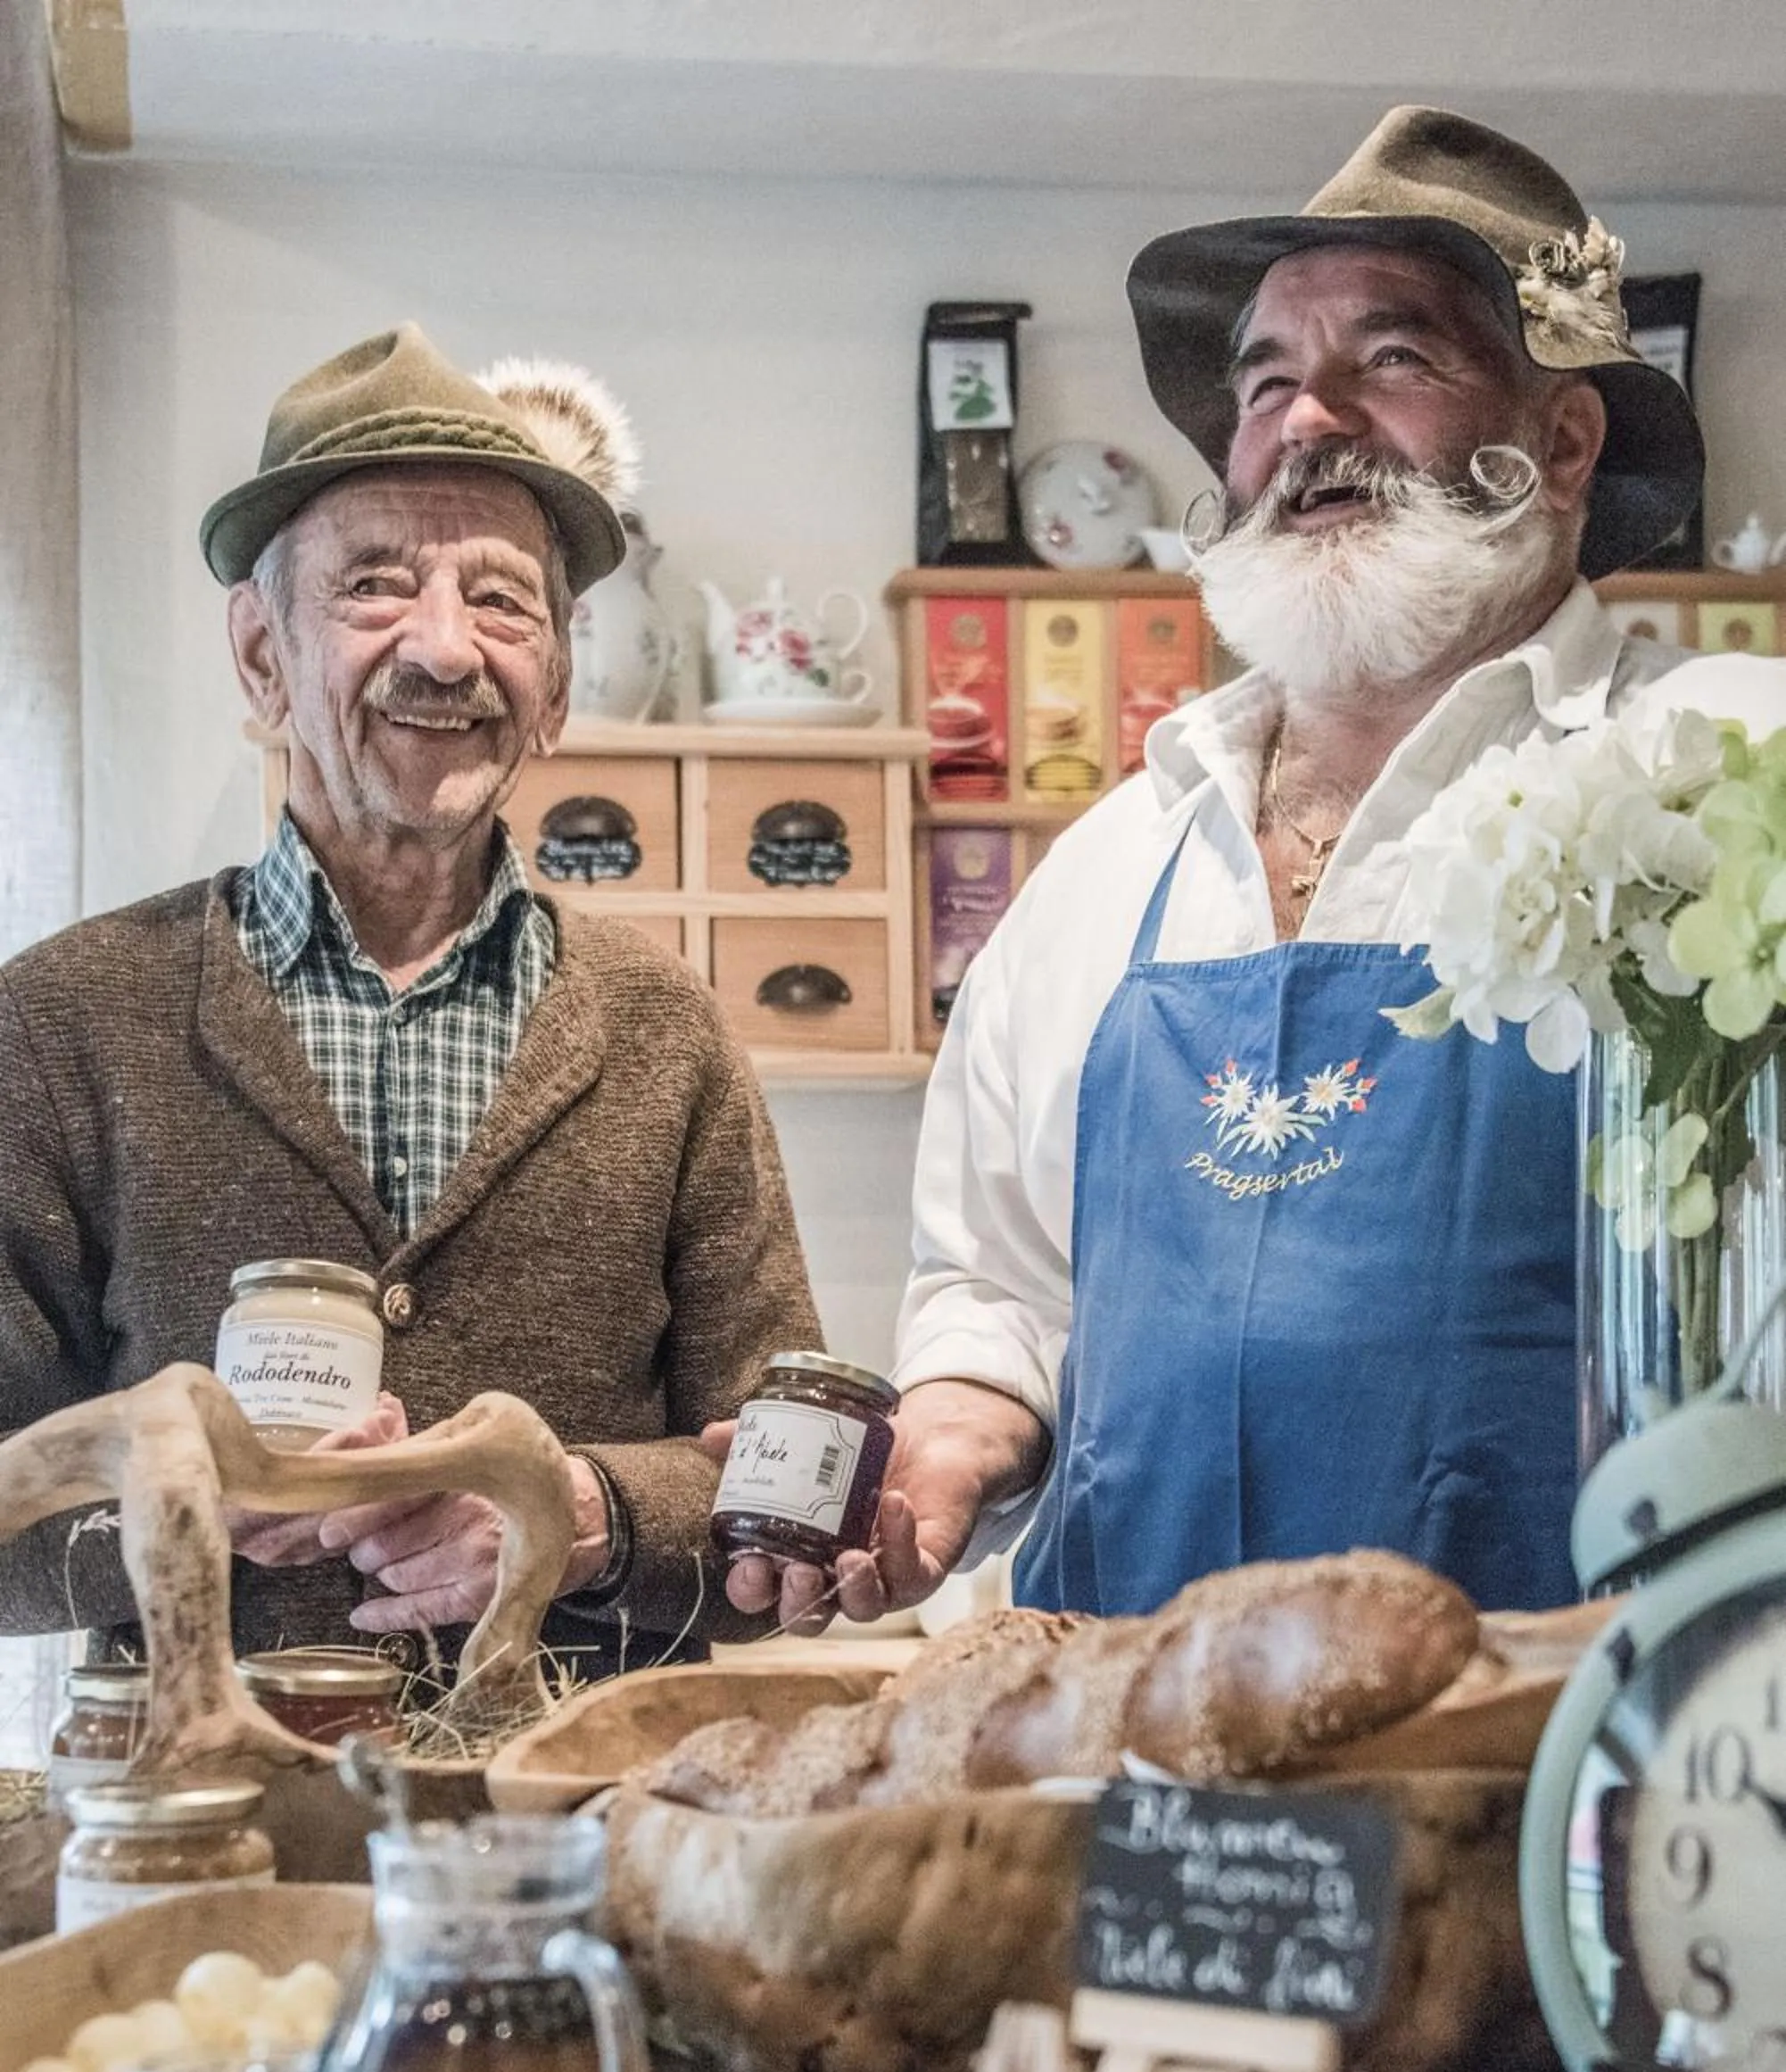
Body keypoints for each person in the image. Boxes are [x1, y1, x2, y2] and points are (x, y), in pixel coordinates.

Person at [725, 105, 1786, 1634]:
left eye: (1392, 361)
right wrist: (946, 1440)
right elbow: (1002, 1290)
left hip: (1561, 1774)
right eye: (1267, 381)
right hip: (1126, 1763)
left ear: (1561, 441)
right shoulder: (1105, 869)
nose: (1307, 423)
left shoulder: (1729, 783)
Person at [0, 323, 819, 1671]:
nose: (445, 649)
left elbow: (785, 1476)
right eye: (375, 587)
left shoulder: (663, 1026)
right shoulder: (64, 1021)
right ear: (261, 656)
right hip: (206, 1813)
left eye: (502, 601)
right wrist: (169, 1509)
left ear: (554, 679)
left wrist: (586, 1515)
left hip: (577, 1808)